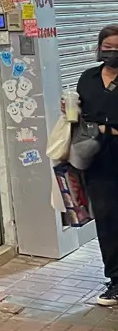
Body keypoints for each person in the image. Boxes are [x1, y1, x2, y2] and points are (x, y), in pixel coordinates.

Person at [76, 25, 118, 305]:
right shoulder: (88, 77)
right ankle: (115, 280)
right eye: (107, 47)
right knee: (106, 220)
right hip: (97, 159)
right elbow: (81, 114)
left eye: (117, 48)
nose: (112, 52)